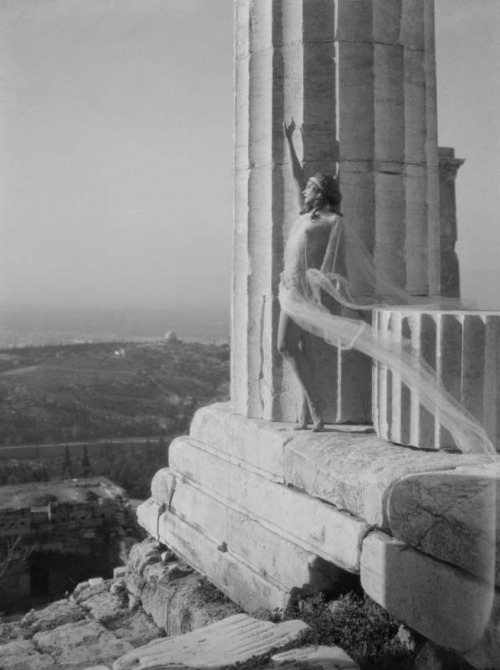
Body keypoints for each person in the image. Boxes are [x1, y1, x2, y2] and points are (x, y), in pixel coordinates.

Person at [278, 119, 344, 432]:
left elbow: (337, 259)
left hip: (306, 291)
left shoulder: (332, 221)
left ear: (320, 193)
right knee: (302, 349)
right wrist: (288, 140)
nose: (304, 189)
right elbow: (295, 177)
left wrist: (331, 290)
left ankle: (317, 403)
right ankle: (306, 413)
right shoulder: (306, 216)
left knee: (285, 347)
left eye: (310, 188)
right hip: (289, 287)